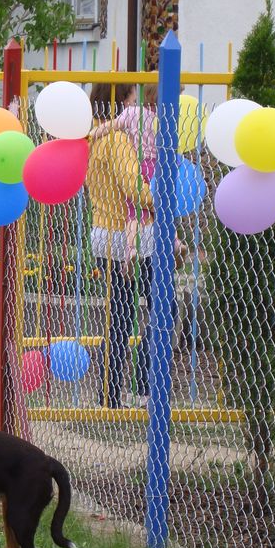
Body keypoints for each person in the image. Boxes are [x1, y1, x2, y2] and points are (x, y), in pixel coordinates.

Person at [86, 82, 154, 409]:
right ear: (120, 101)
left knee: (120, 316)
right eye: (131, 99)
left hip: (103, 231)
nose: (134, 106)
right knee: (157, 309)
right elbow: (133, 187)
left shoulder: (92, 136)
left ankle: (112, 392)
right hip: (126, 236)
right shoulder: (117, 140)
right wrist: (165, 198)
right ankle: (137, 386)